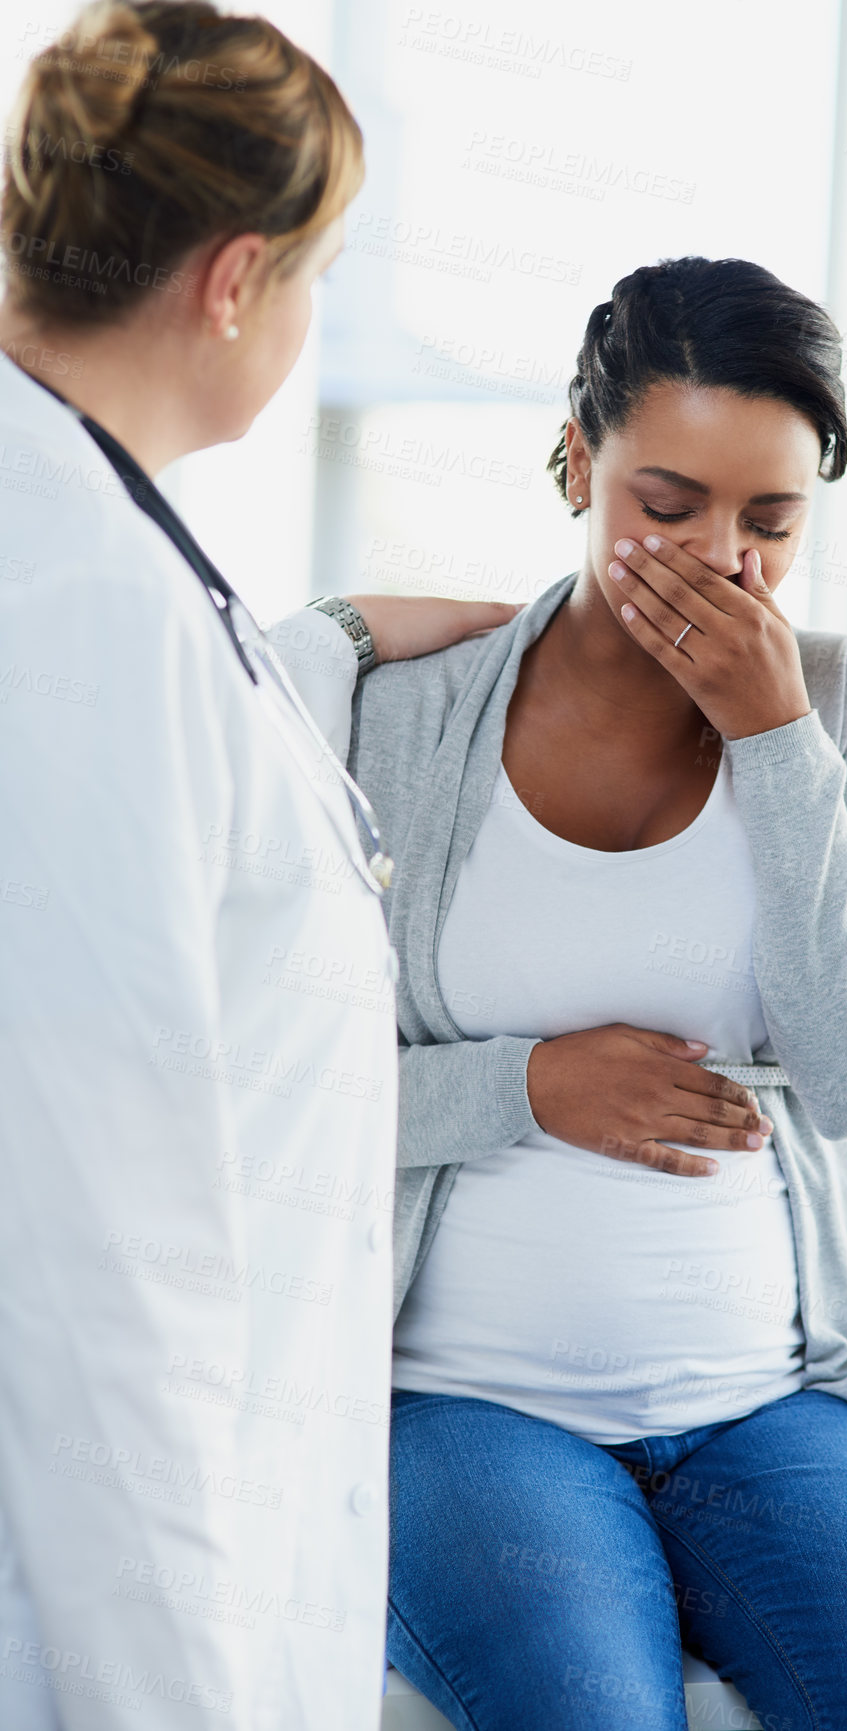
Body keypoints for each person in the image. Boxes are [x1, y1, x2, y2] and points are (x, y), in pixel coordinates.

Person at [309, 257, 847, 1729]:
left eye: (772, 521)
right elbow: (277, 1085)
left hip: (775, 1402)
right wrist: (526, 1082)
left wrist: (774, 738)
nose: (723, 562)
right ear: (577, 461)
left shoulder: (844, 699)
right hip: (467, 1411)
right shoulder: (405, 718)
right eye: (667, 505)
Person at [0, 5, 517, 1729]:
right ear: (235, 280)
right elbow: (96, 1268)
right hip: (113, 1627)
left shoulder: (93, 544)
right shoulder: (75, 604)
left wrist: (332, 641)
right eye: (321, 271)